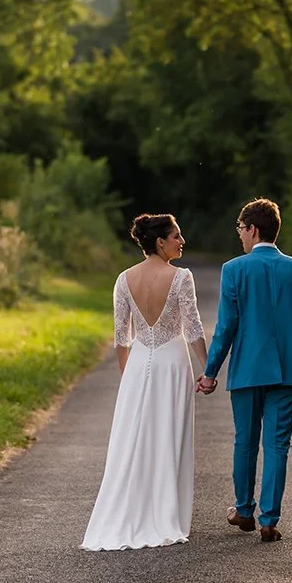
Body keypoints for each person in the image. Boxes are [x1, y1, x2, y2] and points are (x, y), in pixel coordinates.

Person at [82, 214, 207, 550]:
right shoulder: (181, 278)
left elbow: (121, 337)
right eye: (177, 236)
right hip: (172, 362)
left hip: (138, 363)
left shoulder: (124, 279)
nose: (182, 241)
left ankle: (133, 510)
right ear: (160, 242)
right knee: (168, 433)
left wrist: (129, 377)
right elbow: (193, 329)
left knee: (136, 436)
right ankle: (167, 514)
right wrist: (208, 367)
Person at [198, 198, 292, 543]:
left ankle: (244, 510)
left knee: (245, 441)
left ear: (252, 229)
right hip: (289, 372)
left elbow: (226, 327)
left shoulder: (235, 269)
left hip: (248, 370)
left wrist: (210, 371)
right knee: (278, 445)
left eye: (240, 228)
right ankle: (269, 520)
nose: (239, 235)